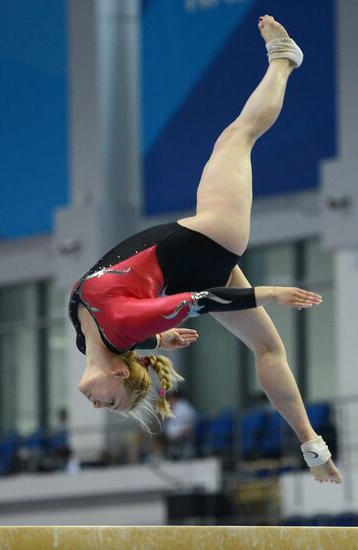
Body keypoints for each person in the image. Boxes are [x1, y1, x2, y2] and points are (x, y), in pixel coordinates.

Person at [70, 16, 342, 484]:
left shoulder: (88, 339)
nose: (98, 406)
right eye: (111, 402)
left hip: (196, 262)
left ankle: (313, 449)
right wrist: (268, 292)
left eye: (105, 408)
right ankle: (284, 61)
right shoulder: (119, 327)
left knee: (267, 349)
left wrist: (161, 339)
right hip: (212, 236)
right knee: (237, 137)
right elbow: (203, 303)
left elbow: (139, 336)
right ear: (117, 376)